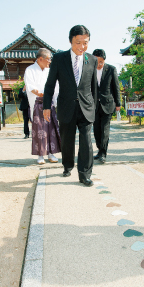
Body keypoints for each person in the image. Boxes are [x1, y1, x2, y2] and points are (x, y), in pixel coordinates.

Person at [43, 25, 97, 186]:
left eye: (85, 43)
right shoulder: (59, 58)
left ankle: (85, 173)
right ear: (70, 41)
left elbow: (93, 86)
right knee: (67, 139)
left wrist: (94, 107)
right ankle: (67, 165)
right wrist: (47, 106)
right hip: (66, 106)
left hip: (86, 107)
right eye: (78, 42)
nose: (82, 47)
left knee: (86, 140)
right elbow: (50, 84)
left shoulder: (92, 59)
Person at [24, 48, 61, 164]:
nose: (50, 61)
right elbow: (29, 86)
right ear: (41, 59)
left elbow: (56, 87)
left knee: (51, 129)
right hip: (37, 102)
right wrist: (39, 92)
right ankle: (40, 155)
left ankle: (51, 153)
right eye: (48, 59)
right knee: (39, 130)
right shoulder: (30, 70)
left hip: (49, 103)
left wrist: (54, 101)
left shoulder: (49, 71)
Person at [92, 49, 121, 163]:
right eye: (97, 61)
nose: (99, 64)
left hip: (108, 104)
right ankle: (100, 150)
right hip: (94, 105)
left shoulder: (111, 69)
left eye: (101, 62)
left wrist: (118, 103)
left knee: (105, 129)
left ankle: (103, 153)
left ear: (104, 60)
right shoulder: (90, 69)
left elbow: (116, 87)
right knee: (96, 130)